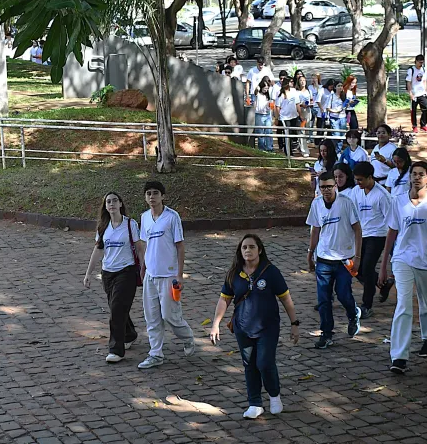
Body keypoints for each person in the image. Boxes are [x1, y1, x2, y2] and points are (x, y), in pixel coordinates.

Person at [209, 234, 299, 419]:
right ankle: (255, 403)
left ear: (260, 250)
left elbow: (285, 299)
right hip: (243, 328)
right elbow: (224, 299)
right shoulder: (234, 274)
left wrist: (294, 323)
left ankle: (274, 396)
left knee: (264, 363)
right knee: (249, 365)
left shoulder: (271, 272)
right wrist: (215, 324)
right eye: (244, 248)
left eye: (251, 247)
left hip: (268, 327)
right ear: (240, 251)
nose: (248, 251)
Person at [378, 161, 427, 374]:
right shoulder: (398, 201)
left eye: (421, 174)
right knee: (403, 304)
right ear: (410, 177)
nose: (417, 177)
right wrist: (383, 265)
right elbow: (391, 232)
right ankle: (399, 356)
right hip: (402, 258)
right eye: (414, 173)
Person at [138, 181, 196, 369]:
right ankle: (155, 353)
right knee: (152, 316)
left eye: (155, 193)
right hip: (151, 276)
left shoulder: (172, 217)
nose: (152, 197)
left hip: (168, 275)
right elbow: (145, 245)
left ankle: (187, 338)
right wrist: (143, 268)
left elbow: (179, 245)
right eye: (148, 193)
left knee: (169, 315)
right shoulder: (145, 217)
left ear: (163, 196)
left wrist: (179, 275)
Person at [84, 192, 144, 363]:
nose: (111, 204)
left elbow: (140, 248)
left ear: (120, 204)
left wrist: (144, 268)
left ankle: (116, 350)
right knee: (117, 308)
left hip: (127, 272)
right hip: (107, 274)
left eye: (115, 201)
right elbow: (98, 250)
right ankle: (130, 334)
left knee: (117, 308)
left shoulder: (130, 224)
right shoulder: (103, 227)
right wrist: (88, 273)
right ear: (105, 206)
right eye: (108, 202)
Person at [307, 172, 363, 349]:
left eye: (329, 186)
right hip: (323, 258)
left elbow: (357, 230)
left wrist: (358, 256)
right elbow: (315, 230)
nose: (326, 190)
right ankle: (326, 333)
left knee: (343, 294)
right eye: (323, 187)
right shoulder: (316, 204)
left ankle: (353, 313)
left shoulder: (346, 203)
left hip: (344, 259)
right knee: (323, 299)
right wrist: (310, 253)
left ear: (336, 186)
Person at [347, 162, 392, 318]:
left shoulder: (382, 195)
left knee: (366, 268)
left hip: (377, 235)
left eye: (360, 180)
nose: (358, 183)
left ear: (370, 177)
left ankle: (367, 304)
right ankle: (382, 284)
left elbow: (391, 220)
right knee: (355, 268)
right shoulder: (355, 192)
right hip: (360, 235)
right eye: (356, 180)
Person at [276, 76, 302, 157]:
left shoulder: (294, 91)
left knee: (295, 134)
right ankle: (288, 152)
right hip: (285, 118)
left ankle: (291, 148)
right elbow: (277, 107)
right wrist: (277, 118)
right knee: (288, 135)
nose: (292, 83)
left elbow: (297, 104)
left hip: (294, 116)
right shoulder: (281, 93)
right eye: (290, 82)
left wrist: (300, 115)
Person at [406, 54, 427, 132]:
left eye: (422, 63)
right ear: (415, 61)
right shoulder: (411, 70)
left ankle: (423, 125)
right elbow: (408, 82)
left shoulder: (423, 69)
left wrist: (425, 91)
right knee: (414, 111)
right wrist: (410, 93)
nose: (420, 64)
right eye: (419, 62)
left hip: (422, 93)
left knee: (425, 109)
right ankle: (414, 126)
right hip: (414, 93)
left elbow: (424, 81)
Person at [252, 76, 275, 152]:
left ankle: (269, 148)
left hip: (267, 114)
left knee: (268, 131)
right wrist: (258, 88)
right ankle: (261, 148)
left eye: (267, 89)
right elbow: (255, 92)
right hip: (259, 114)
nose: (266, 90)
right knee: (260, 132)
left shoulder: (268, 95)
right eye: (265, 88)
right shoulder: (258, 94)